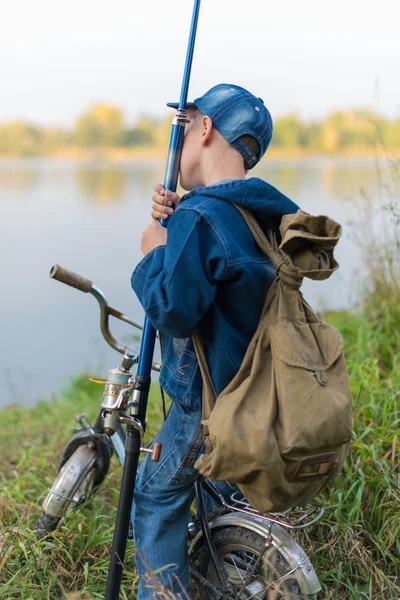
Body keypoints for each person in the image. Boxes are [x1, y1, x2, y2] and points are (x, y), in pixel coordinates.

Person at [130, 83, 299, 599]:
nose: (176, 144)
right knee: (214, 494)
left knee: (154, 496)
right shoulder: (258, 215)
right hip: (252, 399)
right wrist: (180, 224)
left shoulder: (202, 218)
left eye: (182, 129)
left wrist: (154, 252)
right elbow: (226, 272)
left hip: (203, 406)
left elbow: (174, 312)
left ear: (205, 128)